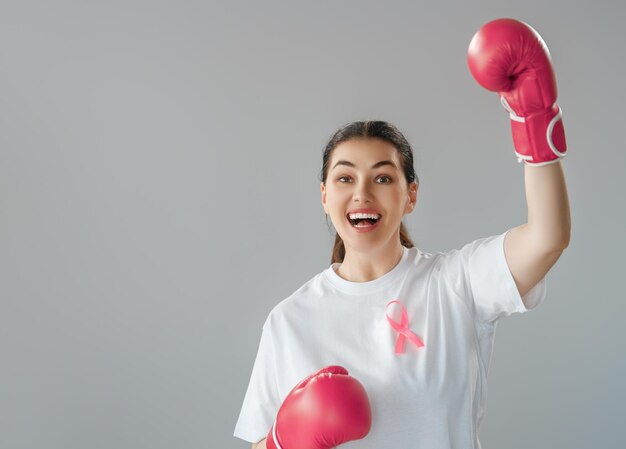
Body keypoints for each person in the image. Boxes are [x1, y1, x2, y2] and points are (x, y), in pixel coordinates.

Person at [233, 18, 571, 449]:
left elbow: (548, 237)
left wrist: (533, 116)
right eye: (344, 178)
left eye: (383, 178)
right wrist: (285, 438)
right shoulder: (289, 321)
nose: (361, 194)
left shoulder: (455, 284)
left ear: (410, 195)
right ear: (323, 195)